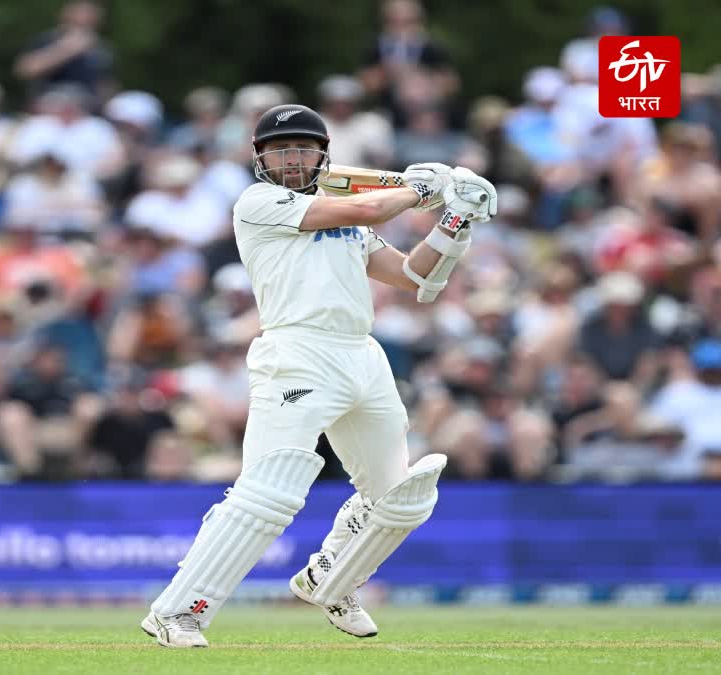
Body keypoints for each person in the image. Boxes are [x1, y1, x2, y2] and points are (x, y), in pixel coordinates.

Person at [140, 103, 497, 647]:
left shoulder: (349, 216)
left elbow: (414, 278)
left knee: (400, 496)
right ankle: (177, 612)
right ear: (260, 158)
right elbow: (364, 211)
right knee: (269, 495)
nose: (292, 158)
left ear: (322, 155)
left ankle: (330, 581)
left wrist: (455, 220)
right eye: (280, 149)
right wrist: (425, 190)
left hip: (362, 355)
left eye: (303, 148)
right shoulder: (259, 203)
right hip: (296, 352)